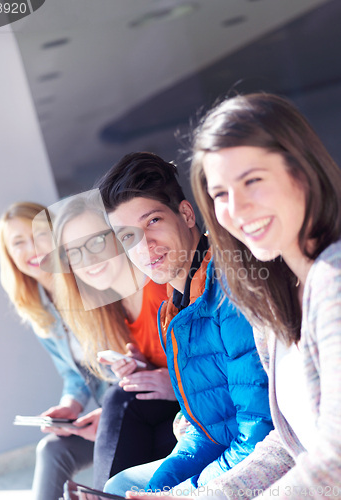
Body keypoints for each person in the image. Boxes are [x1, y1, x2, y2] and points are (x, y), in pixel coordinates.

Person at [187, 92, 341, 498]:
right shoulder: (270, 303)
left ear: (302, 171)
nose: (237, 208)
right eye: (220, 194)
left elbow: (336, 462)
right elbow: (290, 445)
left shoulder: (335, 280)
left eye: (253, 181)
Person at [95, 152, 273, 495]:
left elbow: (258, 436)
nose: (145, 246)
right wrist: (162, 486)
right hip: (222, 452)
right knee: (118, 487)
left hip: (262, 463)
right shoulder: (173, 310)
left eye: (153, 222)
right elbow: (202, 429)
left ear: (187, 214)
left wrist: (177, 492)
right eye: (129, 237)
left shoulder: (229, 291)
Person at [43, 191, 180, 490]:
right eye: (74, 252)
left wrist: (174, 382)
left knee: (121, 397)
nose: (87, 260)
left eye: (95, 242)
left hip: (201, 408)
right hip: (164, 416)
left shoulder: (162, 286)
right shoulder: (109, 313)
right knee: (126, 406)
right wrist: (108, 422)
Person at [0, 202, 106, 500]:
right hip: (101, 416)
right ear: (9, 255)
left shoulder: (94, 281)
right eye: (18, 242)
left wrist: (108, 413)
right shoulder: (39, 312)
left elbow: (138, 355)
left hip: (135, 407)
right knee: (51, 449)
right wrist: (69, 406)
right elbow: (74, 374)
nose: (32, 248)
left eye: (39, 234)